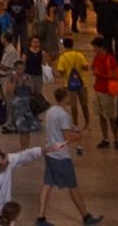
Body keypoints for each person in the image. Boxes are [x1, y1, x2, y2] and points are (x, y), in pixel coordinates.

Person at [34, 93, 103, 226]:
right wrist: (80, 134)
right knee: (73, 186)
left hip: (50, 152)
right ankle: (86, 216)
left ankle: (41, 217)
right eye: (69, 96)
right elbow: (68, 137)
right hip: (61, 156)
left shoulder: (51, 111)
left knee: (47, 185)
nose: (71, 98)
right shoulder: (63, 115)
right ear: (65, 98)